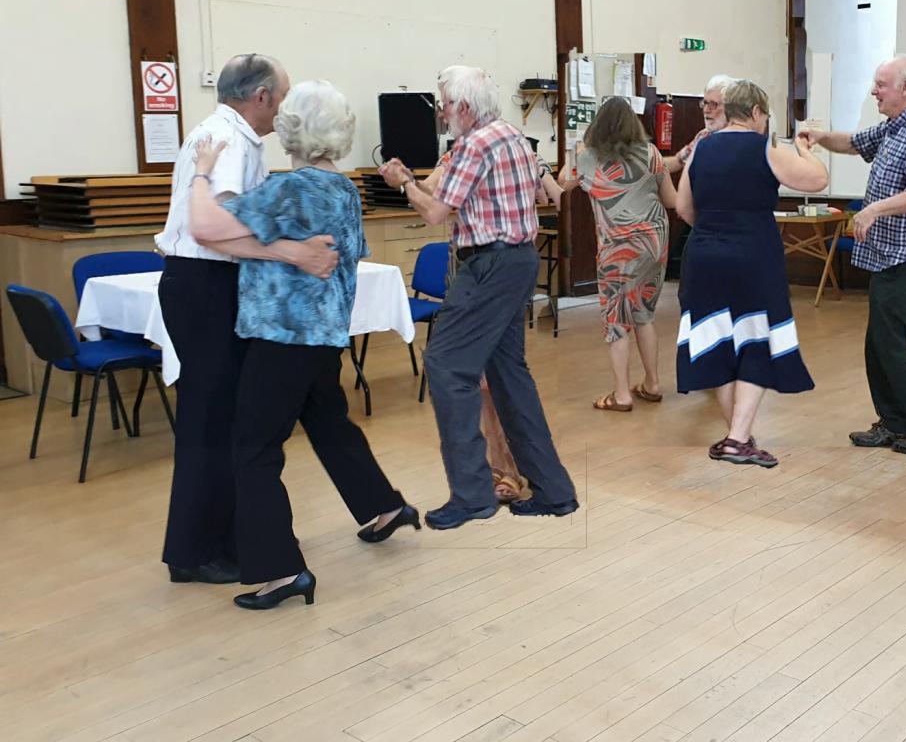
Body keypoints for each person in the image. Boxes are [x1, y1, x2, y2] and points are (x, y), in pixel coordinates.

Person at [189, 80, 419, 609]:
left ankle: (280, 569)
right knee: (329, 425)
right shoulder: (343, 190)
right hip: (322, 336)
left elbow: (203, 226)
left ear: (290, 128)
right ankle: (384, 507)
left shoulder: (287, 189)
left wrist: (202, 171)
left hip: (282, 338)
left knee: (252, 449)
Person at [154, 54, 338, 586]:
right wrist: (293, 253)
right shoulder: (229, 140)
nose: (282, 111)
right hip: (207, 285)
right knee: (212, 421)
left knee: (213, 417)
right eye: (280, 99)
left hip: (201, 285)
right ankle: (198, 550)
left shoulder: (224, 133)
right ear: (260, 97)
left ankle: (205, 542)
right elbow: (213, 228)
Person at [380, 65, 577, 529]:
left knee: (446, 365)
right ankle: (552, 489)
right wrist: (413, 179)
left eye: (445, 104)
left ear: (464, 107)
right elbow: (460, 194)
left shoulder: (473, 144)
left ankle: (472, 495)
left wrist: (404, 185)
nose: (443, 113)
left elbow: (433, 212)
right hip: (518, 261)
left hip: (488, 264)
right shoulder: (510, 136)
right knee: (509, 374)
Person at [801, 56, 906, 456]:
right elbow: (853, 143)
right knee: (878, 343)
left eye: (881, 84)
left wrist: (873, 209)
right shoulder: (894, 127)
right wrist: (820, 138)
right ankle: (896, 424)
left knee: (890, 343)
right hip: (887, 255)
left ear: (905, 88)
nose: (874, 91)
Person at [675, 79, 828, 467]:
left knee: (718, 342)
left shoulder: (700, 149)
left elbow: (682, 207)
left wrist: (712, 230)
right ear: (757, 113)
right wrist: (803, 149)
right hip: (753, 256)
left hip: (704, 255)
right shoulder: (767, 148)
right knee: (757, 339)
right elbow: (817, 180)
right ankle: (738, 438)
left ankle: (736, 435)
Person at [556, 97, 677, 411]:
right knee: (643, 314)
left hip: (617, 246)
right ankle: (651, 384)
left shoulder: (587, 156)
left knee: (616, 318)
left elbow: (562, 185)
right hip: (653, 242)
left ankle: (622, 394)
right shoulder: (651, 154)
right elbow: (672, 200)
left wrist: (576, 155)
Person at [664, 74, 735, 175]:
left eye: (712, 104)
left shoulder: (742, 140)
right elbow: (678, 161)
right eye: (705, 103)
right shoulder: (704, 136)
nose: (706, 110)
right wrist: (644, 166)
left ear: (730, 108)